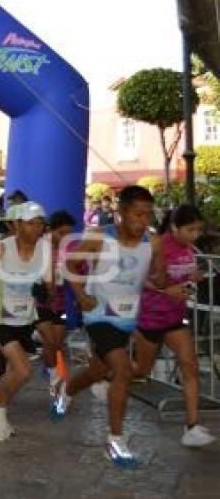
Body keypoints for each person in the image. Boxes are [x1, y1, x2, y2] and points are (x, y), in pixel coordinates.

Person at [53, 185, 164, 468]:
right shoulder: (99, 238)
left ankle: (66, 390)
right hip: (98, 316)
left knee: (99, 370)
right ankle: (115, 440)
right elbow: (69, 264)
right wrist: (80, 295)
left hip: (127, 318)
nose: (143, 221)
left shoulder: (152, 243)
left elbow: (154, 277)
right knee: (123, 370)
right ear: (121, 213)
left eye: (148, 215)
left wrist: (168, 283)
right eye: (138, 215)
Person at [133, 204, 216, 448]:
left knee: (189, 366)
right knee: (140, 370)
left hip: (174, 318)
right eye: (190, 230)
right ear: (174, 227)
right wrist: (163, 289)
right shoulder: (157, 245)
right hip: (150, 316)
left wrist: (193, 278)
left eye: (198, 230)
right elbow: (137, 278)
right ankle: (108, 375)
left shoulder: (188, 247)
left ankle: (191, 427)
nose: (195, 235)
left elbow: (181, 276)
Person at [0, 201, 50, 442]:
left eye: (40, 223)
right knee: (24, 371)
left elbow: (48, 282)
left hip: (26, 317)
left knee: (15, 373)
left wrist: (44, 290)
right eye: (30, 223)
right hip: (0, 318)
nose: (37, 228)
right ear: (16, 225)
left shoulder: (45, 248)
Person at [35, 210, 77, 397]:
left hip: (59, 303)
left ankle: (49, 365)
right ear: (50, 229)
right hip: (38, 303)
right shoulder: (38, 246)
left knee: (57, 344)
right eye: (61, 233)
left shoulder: (68, 248)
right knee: (51, 342)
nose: (65, 237)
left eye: (69, 233)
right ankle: (54, 380)